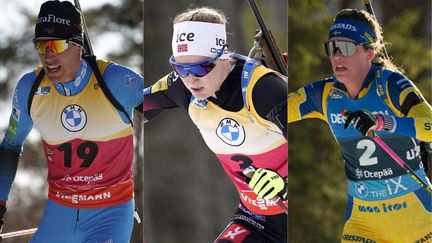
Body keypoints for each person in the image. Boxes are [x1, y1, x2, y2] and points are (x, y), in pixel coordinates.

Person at [0, 1, 143, 242]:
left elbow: (164, 107)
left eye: (56, 45)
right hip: (61, 212)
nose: (48, 55)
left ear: (77, 44)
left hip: (110, 212)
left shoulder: (116, 81)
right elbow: (10, 146)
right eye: (41, 46)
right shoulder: (30, 88)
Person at [144, 7, 288, 243]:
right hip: (256, 219)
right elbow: (128, 107)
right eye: (180, 68)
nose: (191, 79)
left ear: (222, 56)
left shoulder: (262, 89)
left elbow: (316, 148)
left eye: (201, 68)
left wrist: (285, 182)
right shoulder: (182, 87)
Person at [288, 8, 432, 242]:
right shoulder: (324, 94)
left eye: (345, 47)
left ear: (370, 52)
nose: (337, 56)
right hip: (364, 226)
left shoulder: (391, 86)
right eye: (331, 48)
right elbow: (272, 110)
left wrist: (384, 123)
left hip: (420, 224)